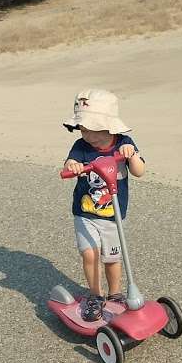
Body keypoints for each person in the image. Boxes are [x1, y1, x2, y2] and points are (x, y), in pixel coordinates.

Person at [62, 88, 145, 321]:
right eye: (82, 128)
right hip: (86, 213)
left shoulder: (124, 143)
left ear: (108, 125)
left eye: (90, 128)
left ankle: (115, 293)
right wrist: (73, 166)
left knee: (113, 258)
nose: (85, 133)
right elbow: (69, 164)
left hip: (113, 215)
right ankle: (96, 295)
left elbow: (139, 172)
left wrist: (132, 156)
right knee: (90, 254)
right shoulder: (81, 147)